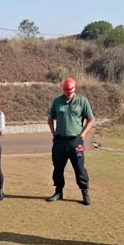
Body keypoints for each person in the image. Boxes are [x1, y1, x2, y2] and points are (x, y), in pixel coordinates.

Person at [47, 76, 95, 205]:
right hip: (60, 141)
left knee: (79, 167)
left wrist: (83, 134)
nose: (68, 93)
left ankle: (85, 192)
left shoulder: (82, 101)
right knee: (58, 168)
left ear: (75, 89)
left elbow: (91, 119)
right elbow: (51, 118)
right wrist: (53, 132)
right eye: (66, 91)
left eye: (71, 90)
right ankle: (58, 191)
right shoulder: (57, 101)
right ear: (63, 89)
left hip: (76, 141)